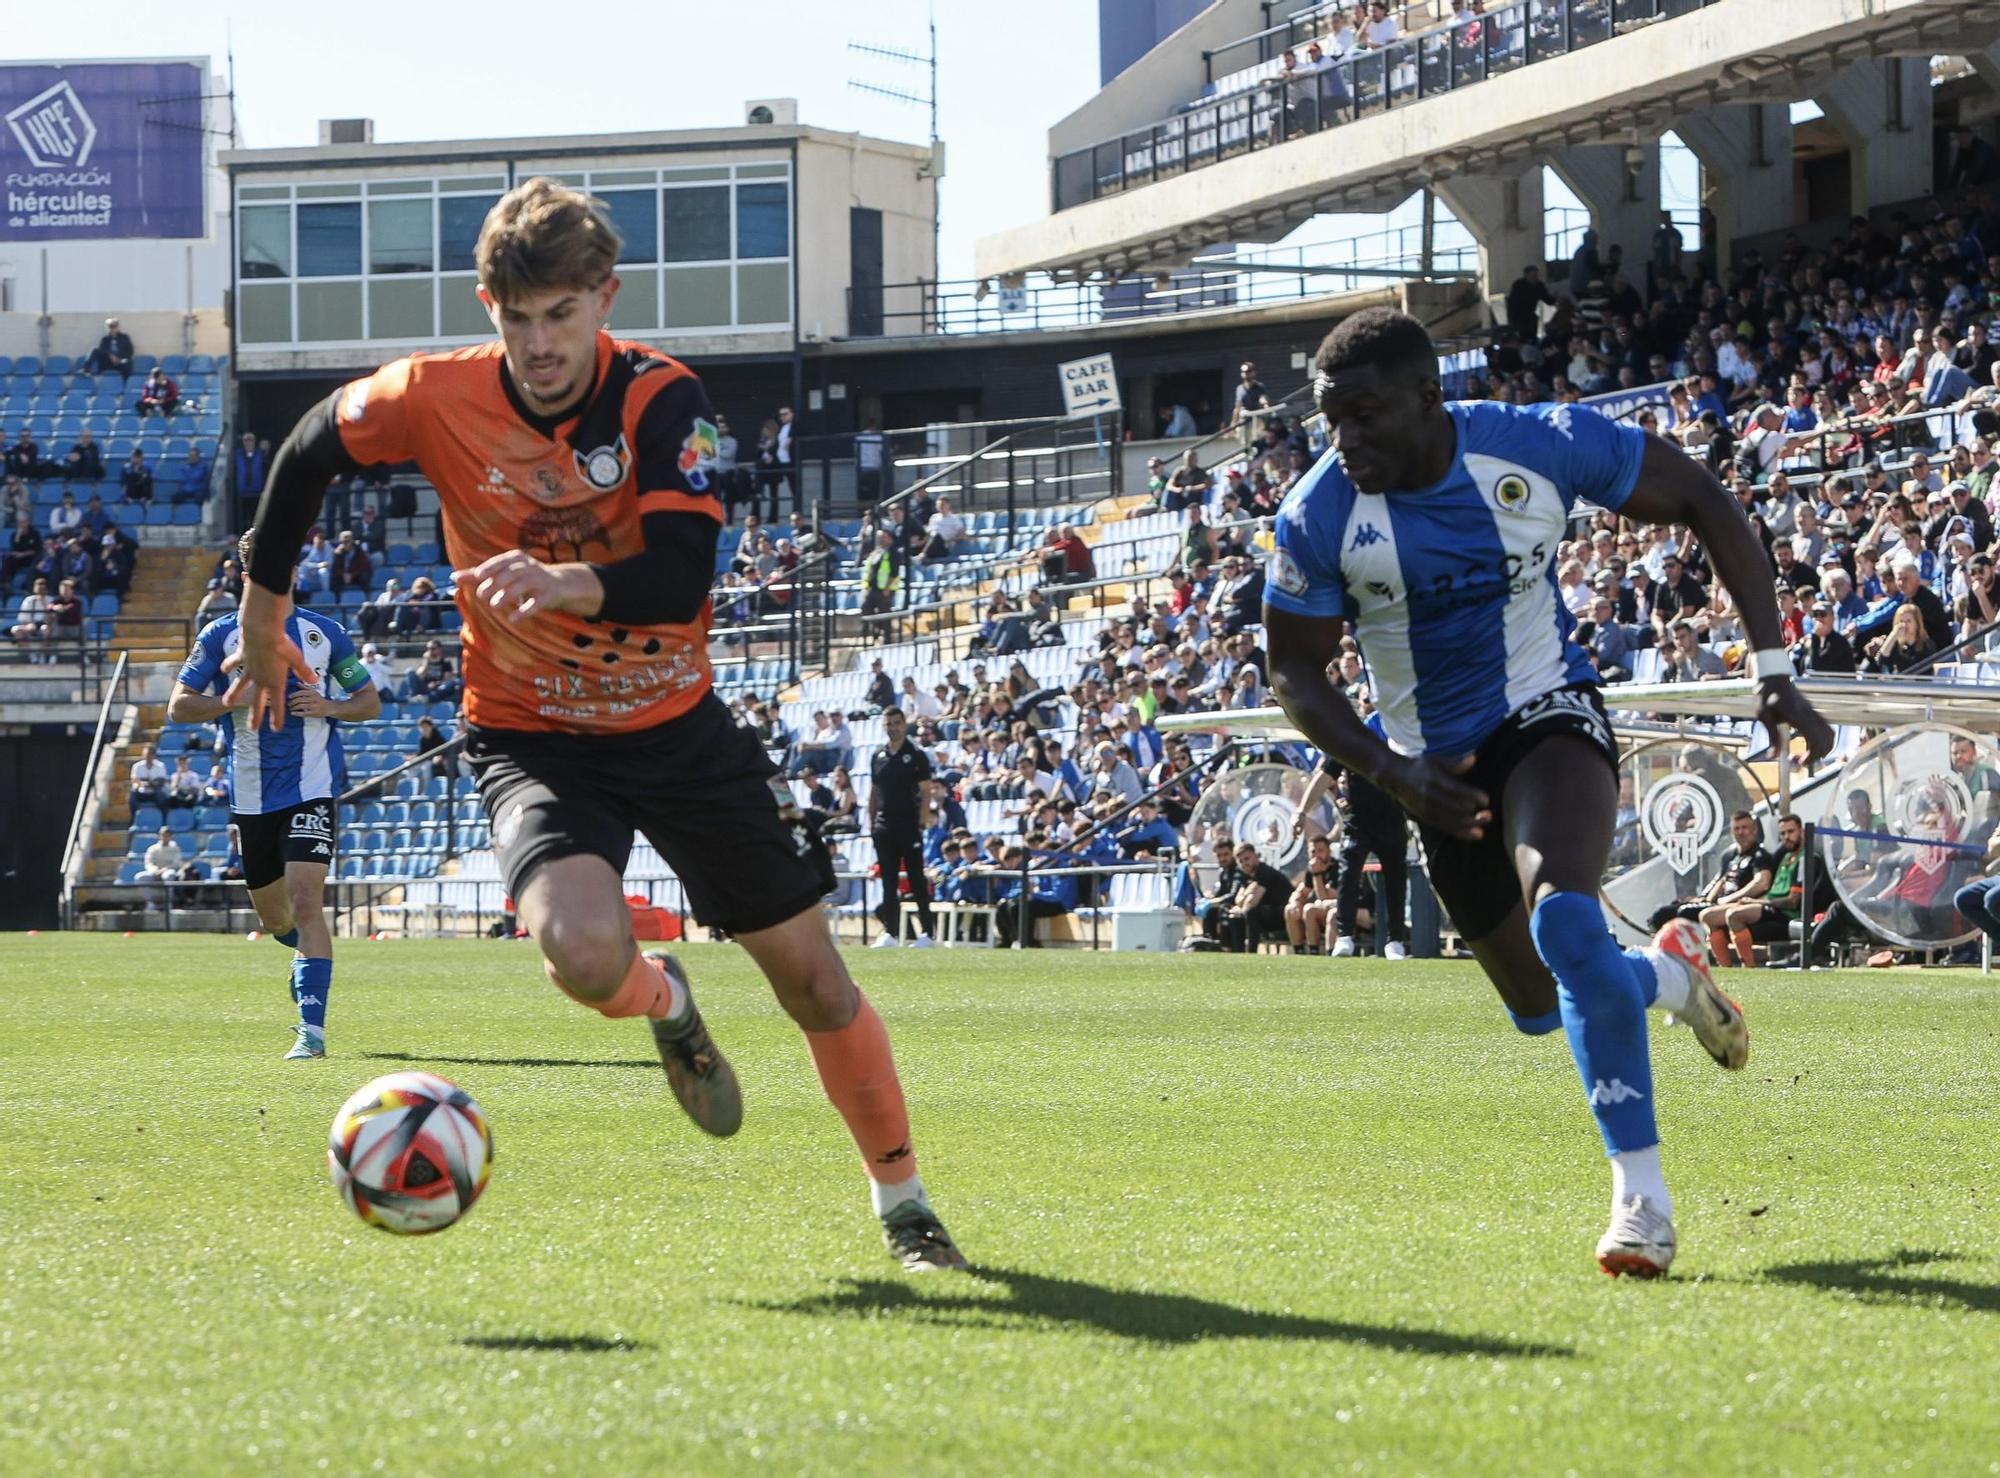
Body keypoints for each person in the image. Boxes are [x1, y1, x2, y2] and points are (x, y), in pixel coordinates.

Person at [225, 178, 963, 1269]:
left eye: (561, 315)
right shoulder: (429, 394)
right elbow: (303, 451)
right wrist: (262, 613)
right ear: (488, 305)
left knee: (813, 980)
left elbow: (678, 574)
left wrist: (566, 582)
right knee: (577, 952)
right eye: (516, 318)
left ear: (603, 298)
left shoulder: (666, 402)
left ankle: (903, 1203)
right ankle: (666, 1002)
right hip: (528, 732)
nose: (538, 344)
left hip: (675, 727)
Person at [1264, 307, 1833, 1278]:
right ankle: (1667, 976)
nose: (1345, 439)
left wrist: (1772, 664)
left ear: (1426, 397)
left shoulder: (1533, 444)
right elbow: (1293, 671)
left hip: (1544, 714)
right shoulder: (1317, 515)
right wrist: (1392, 769)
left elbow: (1697, 492)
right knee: (1537, 1003)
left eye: (1364, 414)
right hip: (1427, 768)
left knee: (1569, 928)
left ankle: (1639, 1202)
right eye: (1331, 421)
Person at [169, 535, 382, 1057]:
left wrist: (329, 706)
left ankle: (312, 1033)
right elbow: (178, 707)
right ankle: (301, 960)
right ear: (245, 579)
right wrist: (228, 699)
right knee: (276, 918)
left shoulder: (323, 634)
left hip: (311, 789)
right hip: (251, 795)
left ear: (293, 574)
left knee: (308, 900)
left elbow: (368, 701)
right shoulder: (220, 636)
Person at [867, 706, 937, 950]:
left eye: (897, 723)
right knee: (888, 881)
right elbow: (874, 792)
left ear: (904, 724)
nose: (893, 727)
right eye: (888, 723)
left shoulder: (916, 754)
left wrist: (920, 822)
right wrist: (872, 824)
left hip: (909, 826)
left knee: (917, 879)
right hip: (884, 828)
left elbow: (926, 792)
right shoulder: (877, 755)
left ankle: (927, 933)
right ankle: (891, 933)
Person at [1648, 811, 1773, 932]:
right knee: (1663, 913)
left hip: (1736, 906)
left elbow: (1762, 883)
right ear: (1731, 831)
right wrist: (1704, 898)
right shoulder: (1729, 855)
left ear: (1754, 829)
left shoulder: (1760, 855)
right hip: (1717, 903)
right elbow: (1719, 881)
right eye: (1736, 828)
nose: (1740, 832)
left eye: (1744, 828)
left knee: (1683, 912)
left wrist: (1730, 898)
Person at [128, 742, 169, 808]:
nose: (148, 757)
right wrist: (147, 783)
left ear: (154, 755)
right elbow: (135, 780)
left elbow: (161, 782)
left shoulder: (160, 766)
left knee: (162, 796)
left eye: (150, 754)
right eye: (146, 754)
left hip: (155, 792)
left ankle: (163, 817)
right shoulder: (137, 766)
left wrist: (148, 783)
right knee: (132, 795)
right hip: (142, 791)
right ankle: (134, 816)